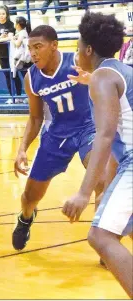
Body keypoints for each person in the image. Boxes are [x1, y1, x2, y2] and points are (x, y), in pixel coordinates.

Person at [12, 25, 104, 253]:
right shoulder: (31, 78)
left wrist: (91, 79)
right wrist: (22, 148)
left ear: (54, 45)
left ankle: (104, 239)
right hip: (56, 135)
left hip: (88, 128)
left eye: (38, 47)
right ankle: (25, 217)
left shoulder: (77, 60)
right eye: (29, 48)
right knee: (30, 195)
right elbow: (35, 118)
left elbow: (106, 86)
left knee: (101, 180)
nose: (32, 53)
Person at [61, 12, 132, 298]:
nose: (76, 51)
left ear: (89, 49)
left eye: (78, 45)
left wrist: (83, 193)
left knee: (100, 236)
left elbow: (104, 136)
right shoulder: (122, 71)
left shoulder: (102, 78)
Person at [0, 5, 23, 104]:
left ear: (6, 14)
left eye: (3, 14)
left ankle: (18, 96)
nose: (1, 16)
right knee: (7, 76)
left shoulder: (11, 25)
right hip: (2, 55)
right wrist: (0, 38)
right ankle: (11, 96)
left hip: (12, 54)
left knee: (14, 75)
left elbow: (11, 38)